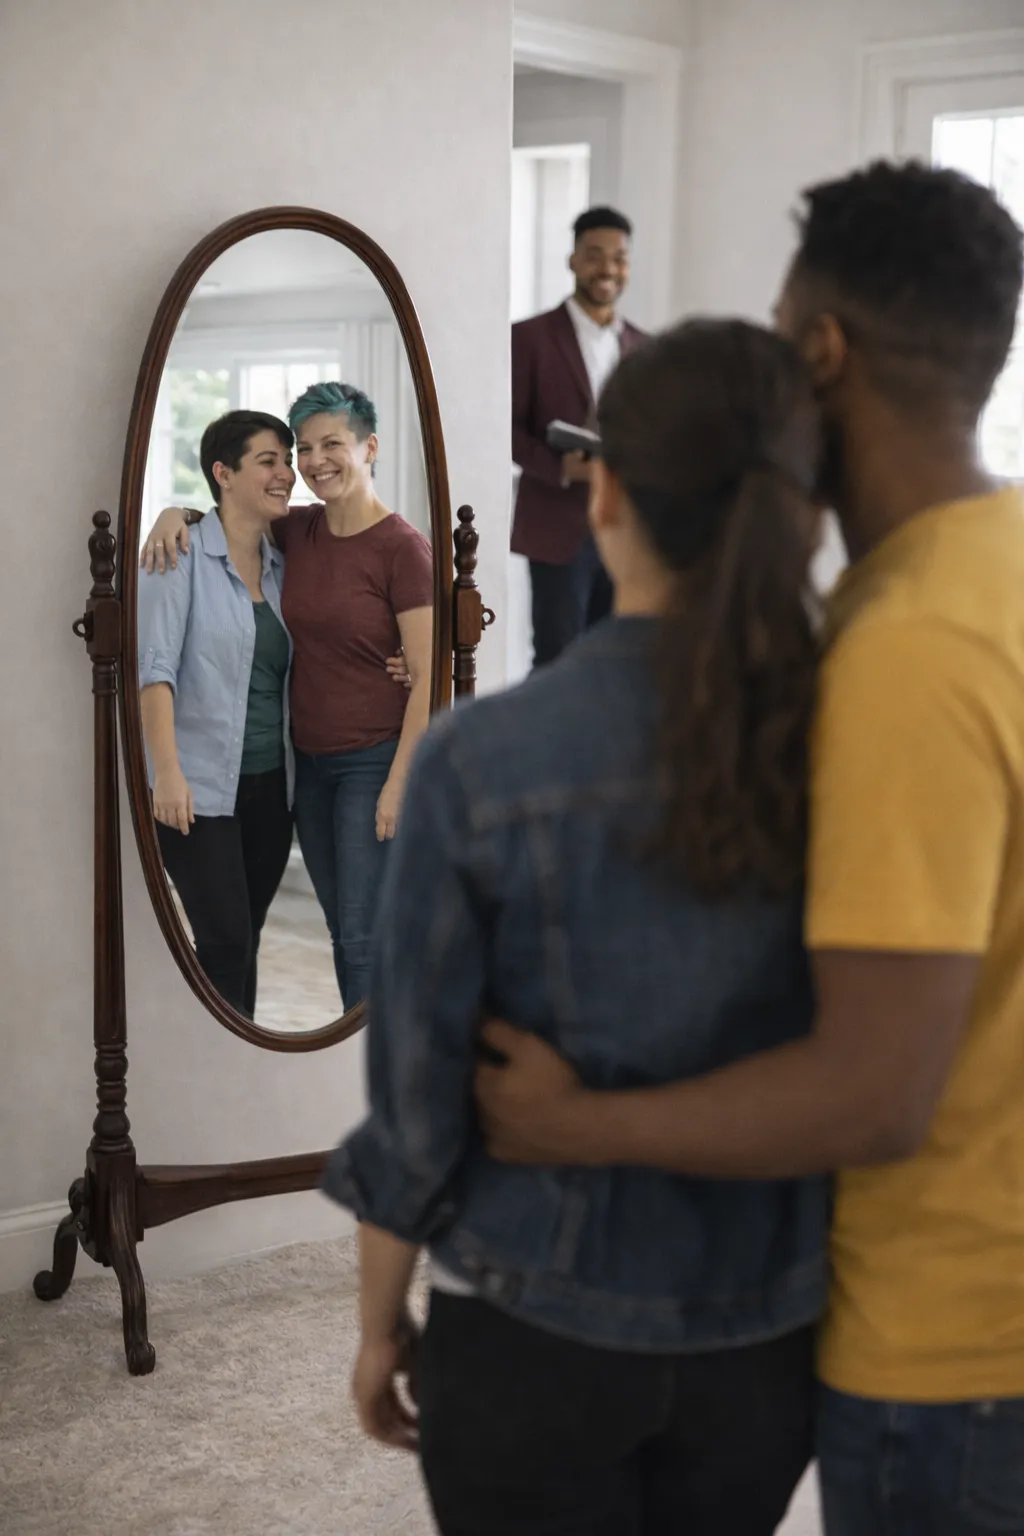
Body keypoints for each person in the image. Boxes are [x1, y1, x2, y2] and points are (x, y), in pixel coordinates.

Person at [476, 161, 1024, 1536]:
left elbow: (873, 1093)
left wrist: (571, 1122)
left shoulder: (906, 650)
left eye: (785, 334)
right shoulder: (991, 567)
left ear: (823, 349)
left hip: (949, 1357)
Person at [326, 319, 829, 1535]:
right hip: (766, 1340)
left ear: (600, 494)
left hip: (530, 1321)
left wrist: (377, 1323)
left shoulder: (482, 758)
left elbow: (418, 1095)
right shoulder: (859, 739)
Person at [143, 381, 434, 1012]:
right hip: (259, 777)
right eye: (296, 450)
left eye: (327, 445)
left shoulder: (373, 548)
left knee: (343, 935)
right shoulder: (277, 537)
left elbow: (430, 672)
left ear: (369, 447)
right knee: (263, 936)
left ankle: (369, 1075)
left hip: (331, 772)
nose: (303, 465)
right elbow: (158, 664)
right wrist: (174, 513)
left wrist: (401, 774)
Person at [138, 410, 296, 1017]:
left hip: (272, 790)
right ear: (223, 473)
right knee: (225, 941)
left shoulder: (285, 564)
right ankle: (205, 1072)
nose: (287, 473)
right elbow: (155, 671)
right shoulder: (178, 555)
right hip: (198, 789)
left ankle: (235, 1070)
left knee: (243, 943)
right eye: (269, 460)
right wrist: (167, 771)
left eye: (287, 459)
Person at [511, 206, 646, 667]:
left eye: (619, 258)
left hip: (625, 526)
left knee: (615, 658)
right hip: (557, 525)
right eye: (594, 256)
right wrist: (559, 468)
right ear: (572, 260)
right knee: (557, 658)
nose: (607, 268)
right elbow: (504, 428)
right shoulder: (528, 338)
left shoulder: (644, 347)